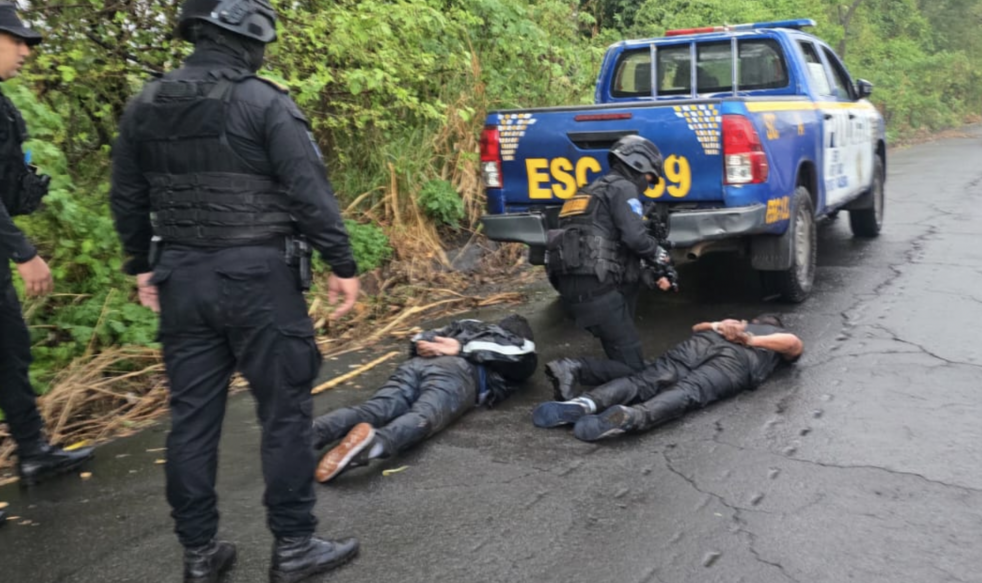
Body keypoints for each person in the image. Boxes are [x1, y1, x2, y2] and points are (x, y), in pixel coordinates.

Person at [110, 0, 360, 583]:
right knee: (284, 415)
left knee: (192, 422)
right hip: (258, 280)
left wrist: (141, 263)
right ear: (248, 30)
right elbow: (310, 194)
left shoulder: (146, 103)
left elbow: (127, 195)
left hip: (182, 281)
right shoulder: (264, 102)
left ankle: (200, 555)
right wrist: (343, 265)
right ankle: (295, 548)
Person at [0, 0, 94, 534]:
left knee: (9, 354)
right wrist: (25, 251)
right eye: (18, 42)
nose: (25, 52)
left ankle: (34, 452)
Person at [313, 315, 537, 483]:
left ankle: (309, 433)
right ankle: (372, 445)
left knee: (374, 408)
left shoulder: (465, 324)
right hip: (458, 372)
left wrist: (430, 345)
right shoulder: (507, 340)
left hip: (418, 364)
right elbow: (524, 354)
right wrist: (460, 348)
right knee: (424, 415)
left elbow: (419, 338)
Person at [544, 134, 676, 393]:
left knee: (626, 361)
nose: (648, 185)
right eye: (650, 177)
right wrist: (659, 254)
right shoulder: (623, 188)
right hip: (599, 292)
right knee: (635, 370)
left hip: (576, 290)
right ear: (638, 165)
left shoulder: (586, 193)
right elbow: (635, 239)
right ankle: (573, 368)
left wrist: (650, 276)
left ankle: (573, 377)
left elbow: (611, 251)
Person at [532, 315, 803, 441]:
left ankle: (583, 405)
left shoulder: (738, 325)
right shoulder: (766, 334)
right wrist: (750, 338)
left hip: (706, 342)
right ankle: (632, 416)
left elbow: (697, 327)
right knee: (689, 391)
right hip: (737, 360)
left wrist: (722, 326)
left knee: (645, 379)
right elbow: (793, 343)